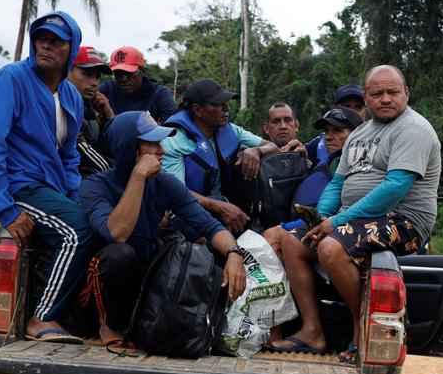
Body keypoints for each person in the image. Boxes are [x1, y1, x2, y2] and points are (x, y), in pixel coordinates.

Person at [265, 65, 440, 357]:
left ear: (406, 93)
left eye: (393, 92)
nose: (385, 98)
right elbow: (337, 183)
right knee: (292, 241)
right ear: (367, 98)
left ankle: (364, 331)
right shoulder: (360, 134)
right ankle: (313, 331)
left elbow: (394, 188)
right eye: (377, 93)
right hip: (354, 219)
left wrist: (336, 222)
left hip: (403, 220)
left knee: (331, 247)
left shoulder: (414, 130)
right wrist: (319, 219)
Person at [0, 11, 97, 344]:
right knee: (77, 232)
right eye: (41, 38)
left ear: (72, 48)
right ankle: (41, 318)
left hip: (51, 188)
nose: (46, 45)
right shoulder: (11, 79)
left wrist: (73, 197)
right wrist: (4, 207)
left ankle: (76, 319)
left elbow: (69, 156)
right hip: (19, 186)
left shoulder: (71, 96)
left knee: (96, 222)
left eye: (57, 41)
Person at [79, 111, 246, 349]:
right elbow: (117, 233)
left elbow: (209, 226)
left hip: (141, 284)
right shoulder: (95, 186)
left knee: (198, 251)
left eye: (161, 143)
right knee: (120, 254)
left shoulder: (164, 183)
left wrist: (234, 254)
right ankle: (109, 326)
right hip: (99, 293)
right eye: (153, 144)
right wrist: (137, 175)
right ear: (131, 149)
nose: (162, 151)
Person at [161, 78, 279, 233]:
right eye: (217, 104)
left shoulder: (231, 130)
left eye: (225, 103)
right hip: (186, 210)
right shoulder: (174, 140)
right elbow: (176, 193)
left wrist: (256, 151)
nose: (226, 108)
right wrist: (220, 207)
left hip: (226, 203)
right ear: (198, 110)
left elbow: (272, 146)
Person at [262, 105, 363, 258]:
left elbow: (335, 210)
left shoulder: (354, 162)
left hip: (322, 226)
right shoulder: (327, 158)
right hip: (303, 221)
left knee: (272, 236)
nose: (328, 136)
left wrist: (284, 227)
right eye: (326, 131)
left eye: (337, 131)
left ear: (356, 135)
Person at [98, 46, 178, 123]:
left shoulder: (160, 94)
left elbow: (171, 129)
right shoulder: (107, 91)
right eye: (118, 73)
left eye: (129, 73)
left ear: (142, 71)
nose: (123, 79)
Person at [67, 46, 114, 175]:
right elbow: (82, 150)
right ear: (68, 71)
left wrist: (108, 116)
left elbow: (110, 148)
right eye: (87, 74)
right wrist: (115, 175)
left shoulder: (90, 107)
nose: (94, 83)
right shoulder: (62, 104)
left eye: (97, 77)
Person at [305, 83, 367, 168]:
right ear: (334, 109)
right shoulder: (320, 143)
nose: (353, 112)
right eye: (347, 107)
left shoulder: (379, 139)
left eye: (358, 107)